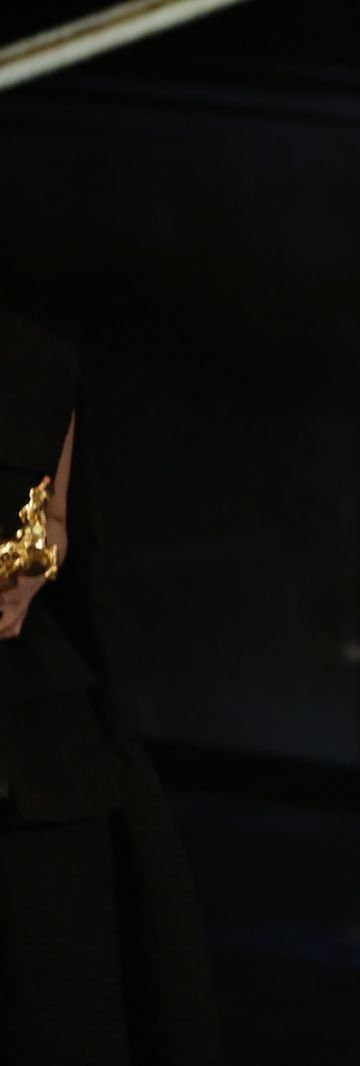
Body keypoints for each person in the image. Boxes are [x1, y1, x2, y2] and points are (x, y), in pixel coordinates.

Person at [0, 308, 222, 1065]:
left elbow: (55, 522)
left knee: (61, 995)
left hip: (35, 738)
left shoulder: (38, 361)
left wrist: (26, 581)